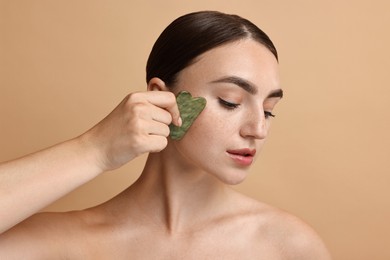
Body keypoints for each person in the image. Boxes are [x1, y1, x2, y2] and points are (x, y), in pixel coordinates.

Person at [0, 11, 332, 259]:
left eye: (269, 109)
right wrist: (94, 149)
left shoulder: (286, 245)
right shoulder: (58, 244)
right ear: (161, 95)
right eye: (231, 102)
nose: (258, 129)